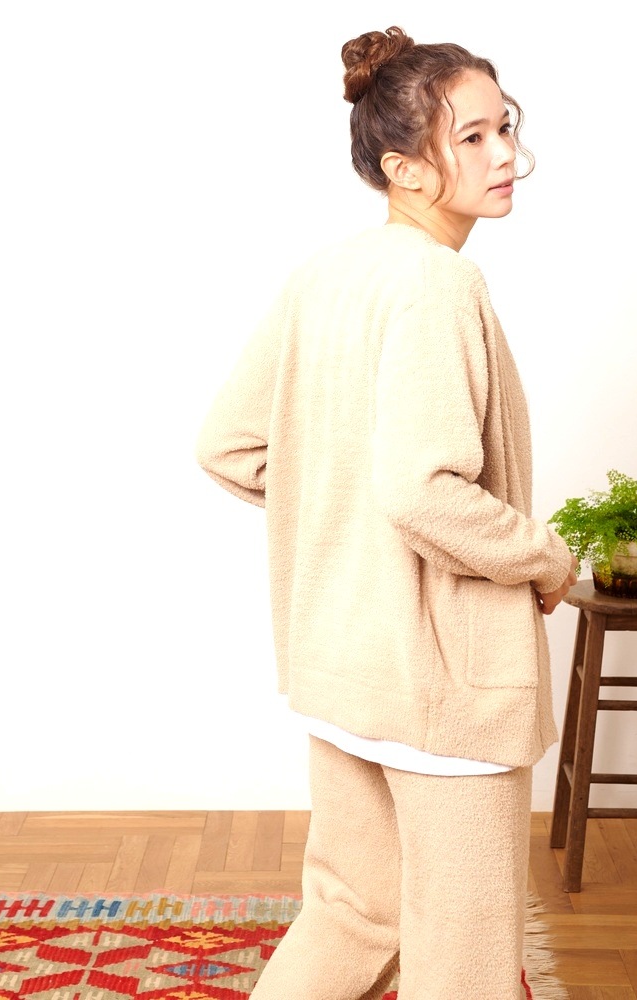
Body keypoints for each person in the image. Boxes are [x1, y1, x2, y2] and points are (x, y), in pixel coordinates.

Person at [196, 25, 577, 1000]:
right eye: (472, 138)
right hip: (444, 685)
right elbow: (421, 490)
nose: (503, 155)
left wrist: (340, 517)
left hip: (344, 667)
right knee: (465, 961)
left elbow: (230, 445)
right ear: (404, 168)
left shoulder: (325, 274)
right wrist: (543, 558)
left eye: (503, 127)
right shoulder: (439, 283)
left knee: (350, 915)